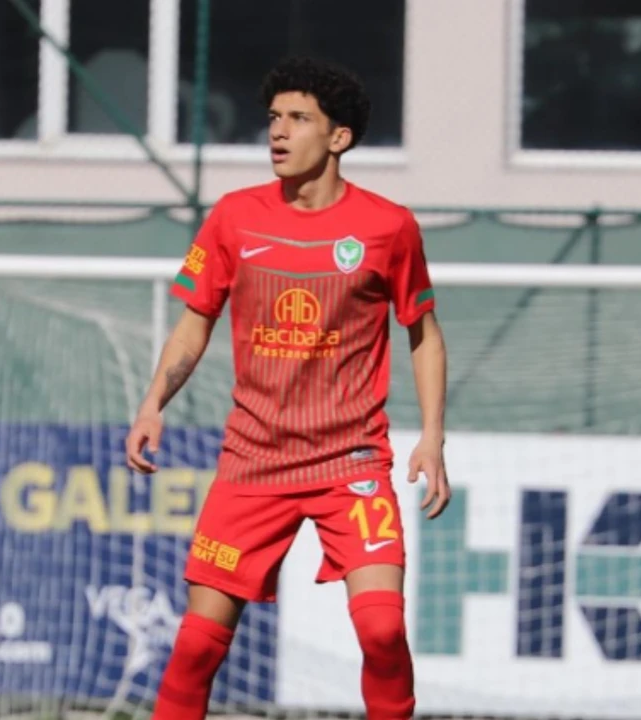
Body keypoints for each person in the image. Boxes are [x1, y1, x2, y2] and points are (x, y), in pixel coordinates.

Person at [124, 56, 450, 720]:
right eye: (274, 118)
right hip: (253, 461)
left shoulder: (388, 227)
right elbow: (194, 323)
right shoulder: (234, 218)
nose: (278, 131)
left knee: (383, 631)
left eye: (299, 119)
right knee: (196, 646)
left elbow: (424, 333)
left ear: (339, 137)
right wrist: (154, 403)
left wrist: (432, 437)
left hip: (350, 462)